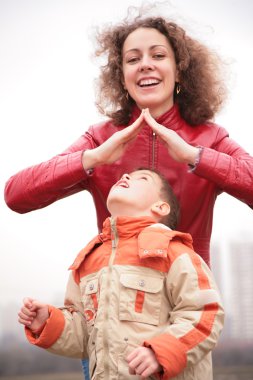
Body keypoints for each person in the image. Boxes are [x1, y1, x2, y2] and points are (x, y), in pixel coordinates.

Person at [18, 168, 224, 380]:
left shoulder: (175, 253)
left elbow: (205, 314)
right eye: (124, 176)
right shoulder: (88, 260)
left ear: (160, 207)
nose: (125, 177)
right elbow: (86, 336)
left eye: (142, 178)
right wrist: (48, 323)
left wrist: (162, 352)